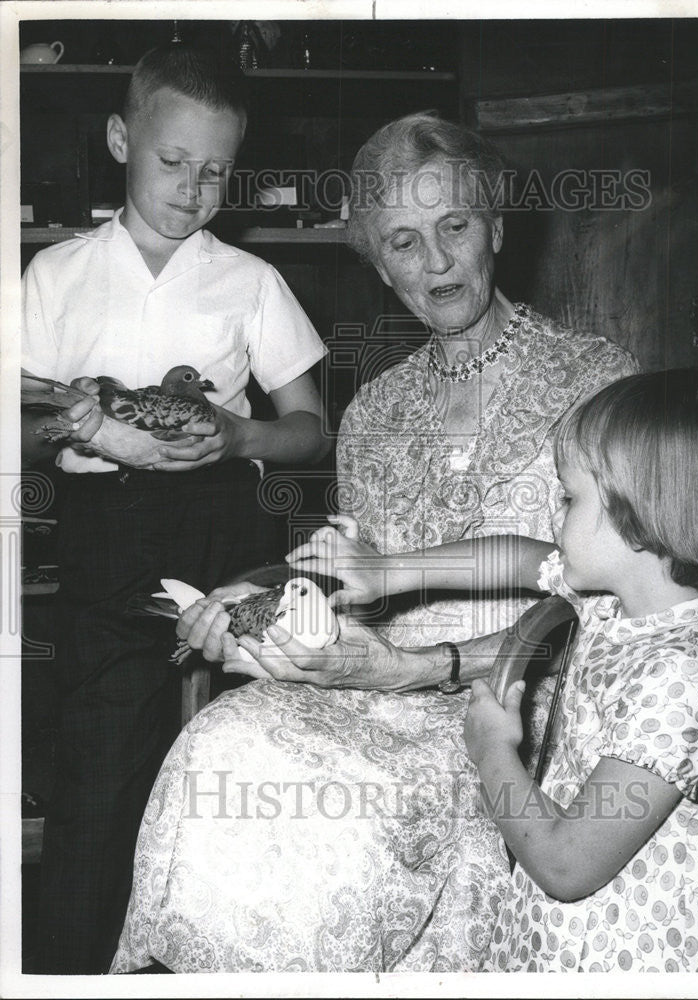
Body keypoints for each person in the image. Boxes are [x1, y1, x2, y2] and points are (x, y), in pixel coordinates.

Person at [110, 112, 637, 973]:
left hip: (522, 693)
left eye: (454, 227)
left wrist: (419, 668)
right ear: (377, 263)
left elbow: (611, 611)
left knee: (333, 817)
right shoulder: (374, 412)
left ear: (495, 227)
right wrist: (265, 610)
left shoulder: (595, 382)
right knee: (218, 745)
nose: (435, 263)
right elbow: (363, 588)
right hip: (371, 679)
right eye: (402, 240)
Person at [21, 43, 328, 974]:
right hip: (106, 534)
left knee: (235, 767)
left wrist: (239, 439)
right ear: (121, 138)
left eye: (217, 171)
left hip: (225, 529)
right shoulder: (55, 276)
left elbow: (312, 431)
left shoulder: (250, 283)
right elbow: (21, 417)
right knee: (99, 770)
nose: (194, 189)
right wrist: (73, 427)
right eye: (172, 161)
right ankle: (75, 969)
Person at [316, 369, 698, 972]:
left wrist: (491, 752)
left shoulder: (686, 680)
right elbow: (515, 556)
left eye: (569, 498)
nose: (556, 517)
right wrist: (389, 570)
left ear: (639, 516)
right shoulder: (628, 595)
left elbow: (565, 865)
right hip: (597, 904)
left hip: (647, 940)